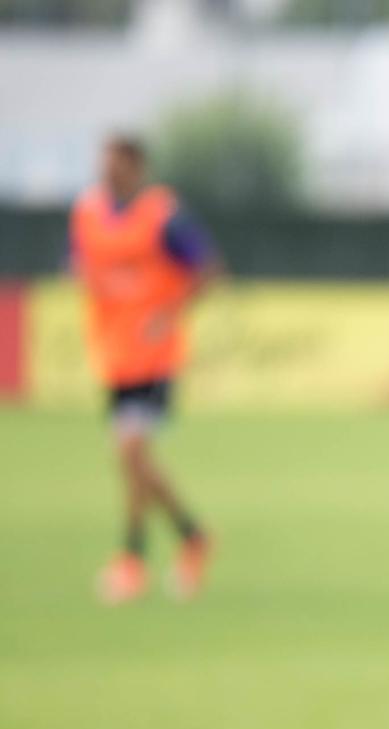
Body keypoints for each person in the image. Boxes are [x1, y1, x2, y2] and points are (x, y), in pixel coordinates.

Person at [70, 134, 216, 603]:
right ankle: (191, 538)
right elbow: (81, 264)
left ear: (136, 167)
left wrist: (167, 312)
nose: (106, 171)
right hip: (114, 355)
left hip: (155, 355)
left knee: (130, 453)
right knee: (133, 461)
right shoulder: (88, 213)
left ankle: (133, 558)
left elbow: (208, 270)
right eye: (103, 163)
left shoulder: (164, 216)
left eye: (114, 164)